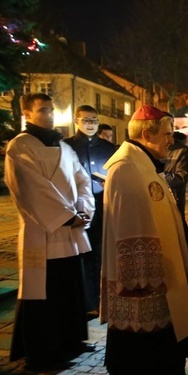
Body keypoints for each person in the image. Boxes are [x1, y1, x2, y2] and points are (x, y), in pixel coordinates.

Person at [100, 105, 188, 375]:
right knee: (139, 348)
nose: (171, 139)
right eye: (167, 132)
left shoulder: (144, 165)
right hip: (141, 283)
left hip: (158, 277)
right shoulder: (127, 168)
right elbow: (128, 227)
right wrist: (140, 277)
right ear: (147, 133)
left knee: (158, 345)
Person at [5, 93, 95, 370]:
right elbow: (30, 188)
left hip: (70, 233)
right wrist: (68, 216)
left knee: (69, 291)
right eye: (42, 110)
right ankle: (43, 353)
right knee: (43, 296)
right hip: (42, 232)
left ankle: (70, 342)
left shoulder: (64, 146)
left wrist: (84, 209)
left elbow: (82, 179)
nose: (49, 115)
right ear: (27, 114)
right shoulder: (20, 146)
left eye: (51, 110)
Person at [64, 105, 117, 318]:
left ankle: (98, 299)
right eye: (86, 120)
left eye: (94, 120)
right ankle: (82, 300)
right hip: (76, 206)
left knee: (99, 254)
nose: (91, 124)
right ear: (76, 121)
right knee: (78, 255)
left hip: (102, 205)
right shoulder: (66, 146)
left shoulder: (108, 147)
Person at [165, 131, 188, 263]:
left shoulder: (182, 151)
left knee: (178, 231)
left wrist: (156, 176)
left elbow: (181, 177)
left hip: (174, 199)